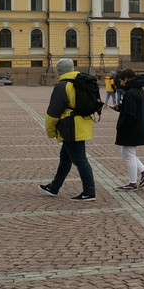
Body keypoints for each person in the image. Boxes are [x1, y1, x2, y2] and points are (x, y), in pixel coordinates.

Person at [40, 58, 97, 201]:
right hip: (82, 124)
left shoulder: (62, 86)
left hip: (70, 127)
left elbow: (53, 113)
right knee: (65, 158)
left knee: (80, 160)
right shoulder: (80, 81)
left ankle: (89, 191)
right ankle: (54, 187)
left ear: (59, 71)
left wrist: (51, 131)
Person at [112, 69, 144, 191]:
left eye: (121, 81)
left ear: (125, 79)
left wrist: (121, 126)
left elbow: (130, 115)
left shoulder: (129, 93)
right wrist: (121, 108)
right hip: (138, 126)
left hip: (131, 128)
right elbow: (133, 108)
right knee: (127, 153)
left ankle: (132, 183)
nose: (120, 83)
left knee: (129, 154)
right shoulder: (138, 90)